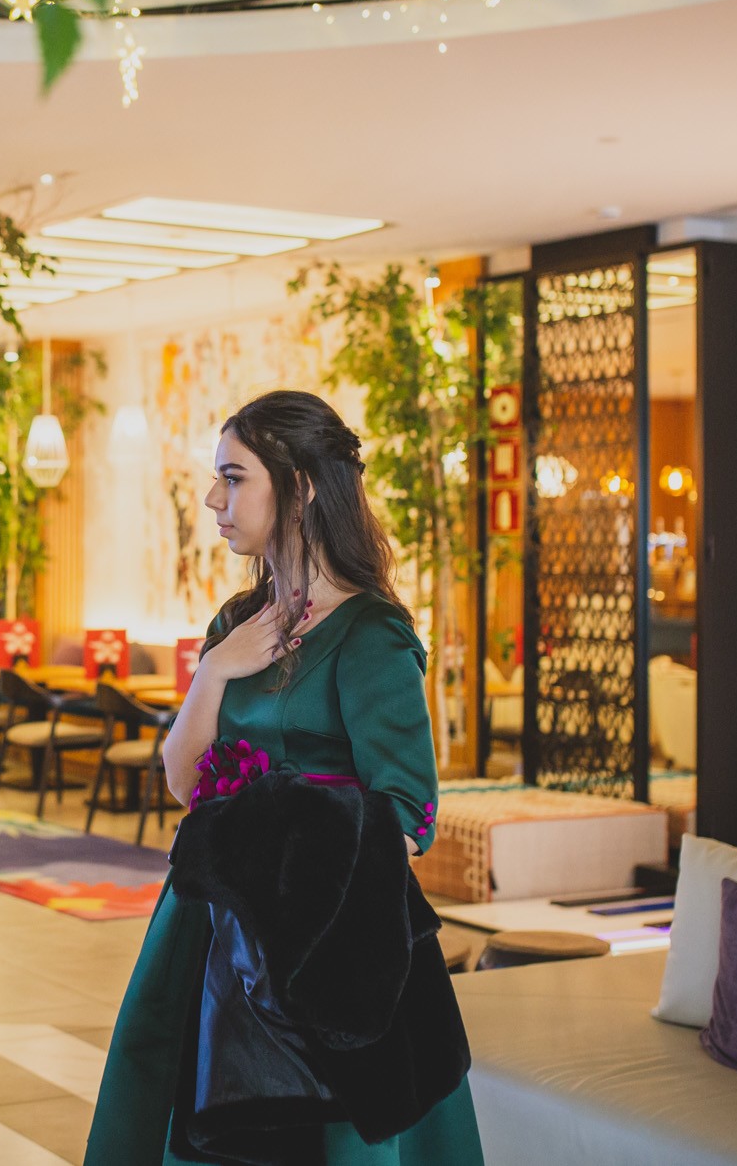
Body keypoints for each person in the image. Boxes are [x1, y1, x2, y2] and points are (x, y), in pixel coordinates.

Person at [86, 390, 485, 1165]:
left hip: (329, 937)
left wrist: (283, 837)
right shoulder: (236, 623)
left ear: (298, 487)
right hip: (209, 922)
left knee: (323, 1133)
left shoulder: (371, 634)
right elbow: (181, 782)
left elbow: (409, 814)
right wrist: (213, 672)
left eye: (233, 477)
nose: (213, 498)